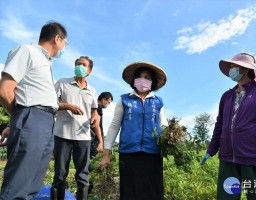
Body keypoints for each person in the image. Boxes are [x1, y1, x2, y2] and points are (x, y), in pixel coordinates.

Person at [201, 53, 256, 200]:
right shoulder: (227, 96)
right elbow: (219, 124)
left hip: (253, 157)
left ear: (245, 69)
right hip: (228, 159)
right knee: (227, 197)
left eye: (233, 66)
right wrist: (212, 149)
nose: (230, 69)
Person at [0, 21, 67, 199]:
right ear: (57, 38)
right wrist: (21, 118)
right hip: (33, 118)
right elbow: (5, 90)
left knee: (32, 184)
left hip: (46, 122)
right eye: (65, 43)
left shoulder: (47, 63)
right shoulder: (26, 51)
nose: (64, 47)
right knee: (18, 184)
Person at [100, 62, 167, 200]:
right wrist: (106, 153)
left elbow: (162, 124)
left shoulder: (158, 101)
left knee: (152, 192)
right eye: (140, 77)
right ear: (134, 80)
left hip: (152, 153)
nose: (143, 80)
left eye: (147, 77)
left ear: (152, 82)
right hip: (129, 154)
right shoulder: (124, 100)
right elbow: (114, 126)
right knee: (130, 192)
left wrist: (170, 135)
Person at [51, 56, 102, 200]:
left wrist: (95, 117)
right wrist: (68, 106)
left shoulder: (92, 91)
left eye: (84, 65)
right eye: (78, 64)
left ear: (89, 71)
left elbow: (94, 112)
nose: (80, 66)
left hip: (83, 137)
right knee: (60, 175)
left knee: (82, 176)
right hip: (62, 135)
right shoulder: (62, 83)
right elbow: (51, 103)